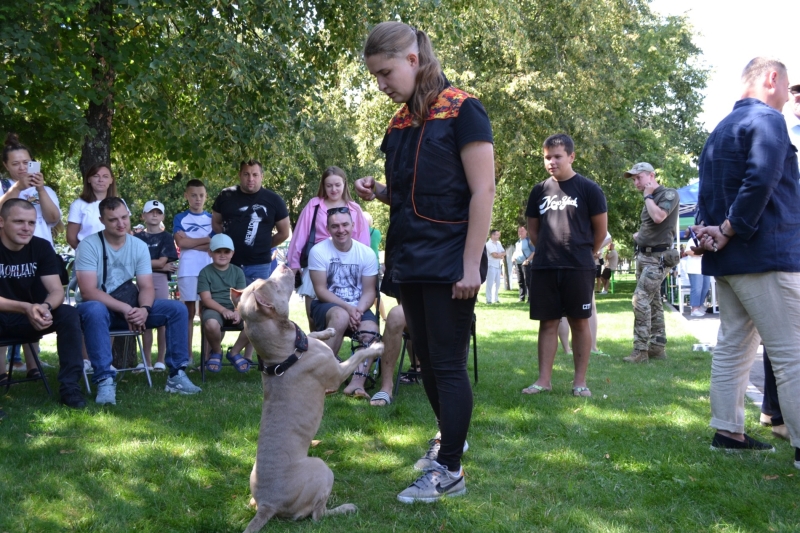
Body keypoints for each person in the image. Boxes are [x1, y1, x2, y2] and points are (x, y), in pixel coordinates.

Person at [355, 21, 495, 503]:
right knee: (428, 362)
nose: (381, 85)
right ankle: (448, 442)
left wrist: (471, 263)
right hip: (409, 258)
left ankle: (450, 470)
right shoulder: (399, 123)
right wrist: (380, 191)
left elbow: (483, 191)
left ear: (413, 60)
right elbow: (413, 195)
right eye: (375, 76)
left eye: (385, 72)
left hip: (451, 260)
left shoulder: (463, 109)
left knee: (449, 364)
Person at [693, 57, 799, 463]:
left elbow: (707, 195)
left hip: (730, 263)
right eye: (789, 88)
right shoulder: (769, 121)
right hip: (765, 256)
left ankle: (727, 432)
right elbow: (761, 180)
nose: (790, 99)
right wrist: (730, 228)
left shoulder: (719, 130)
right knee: (792, 353)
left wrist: (709, 231)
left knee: (733, 346)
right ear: (772, 79)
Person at [75, 197, 201, 405]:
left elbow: (146, 286)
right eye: (113, 219)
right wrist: (127, 308)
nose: (121, 223)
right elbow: (88, 291)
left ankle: (176, 375)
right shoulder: (89, 245)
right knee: (94, 309)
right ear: (102, 220)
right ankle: (105, 379)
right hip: (100, 312)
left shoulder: (138, 246)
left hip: (131, 308)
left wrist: (144, 309)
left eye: (124, 217)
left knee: (177, 309)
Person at [522, 133, 607, 398]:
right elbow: (534, 231)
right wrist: (549, 250)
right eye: (547, 157)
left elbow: (600, 232)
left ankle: (579, 382)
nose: (551, 162)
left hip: (578, 267)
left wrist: (583, 254)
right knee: (547, 323)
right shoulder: (539, 190)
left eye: (557, 156)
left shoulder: (589, 189)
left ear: (571, 156)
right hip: (545, 267)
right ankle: (543, 381)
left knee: (579, 322)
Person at [0, 199, 85, 408]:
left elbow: (56, 290)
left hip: (32, 316)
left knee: (68, 314)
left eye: (31, 222)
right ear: (1, 222)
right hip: (6, 316)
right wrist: (25, 307)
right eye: (19, 221)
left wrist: (45, 308)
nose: (26, 228)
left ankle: (70, 387)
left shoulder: (41, 246)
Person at [212, 159, 290, 364]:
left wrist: (263, 245)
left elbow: (284, 232)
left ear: (262, 176)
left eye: (255, 174)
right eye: (246, 174)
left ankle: (245, 356)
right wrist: (228, 245)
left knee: (259, 311)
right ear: (240, 175)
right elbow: (216, 223)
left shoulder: (273, 200)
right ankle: (214, 353)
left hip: (259, 264)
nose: (251, 179)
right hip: (229, 265)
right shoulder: (225, 196)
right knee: (222, 305)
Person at [1, 133, 63, 373]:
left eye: (26, 163)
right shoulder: (3, 187)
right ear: (6, 166)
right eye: (15, 163)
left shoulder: (45, 189)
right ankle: (2, 368)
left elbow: (54, 219)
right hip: (6, 256)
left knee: (37, 305)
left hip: (39, 256)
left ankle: (33, 365)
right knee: (7, 308)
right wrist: (17, 188)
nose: (21, 168)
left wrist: (40, 189)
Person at [287, 166, 370, 329]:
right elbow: (300, 235)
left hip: (347, 266)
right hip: (318, 264)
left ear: (344, 184)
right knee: (314, 318)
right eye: (329, 185)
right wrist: (294, 264)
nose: (334, 189)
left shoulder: (354, 209)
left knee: (347, 315)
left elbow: (363, 242)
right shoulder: (314, 206)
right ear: (323, 186)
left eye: (337, 185)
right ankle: (318, 351)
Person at [308, 208, 379, 398]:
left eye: (345, 224)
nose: (341, 230)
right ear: (328, 228)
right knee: (340, 316)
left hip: (358, 306)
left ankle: (357, 384)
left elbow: (369, 291)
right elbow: (321, 290)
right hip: (326, 305)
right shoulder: (318, 251)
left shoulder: (366, 253)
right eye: (335, 226)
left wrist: (359, 310)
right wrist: (348, 309)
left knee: (371, 329)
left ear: (353, 226)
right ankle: (325, 379)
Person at [622, 162, 680, 363]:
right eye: (634, 179)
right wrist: (640, 236)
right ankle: (657, 347)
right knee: (653, 302)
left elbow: (659, 217)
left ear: (651, 176)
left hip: (658, 258)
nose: (636, 182)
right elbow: (651, 226)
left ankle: (640, 351)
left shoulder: (668, 194)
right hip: (644, 256)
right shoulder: (650, 198)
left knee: (640, 299)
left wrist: (648, 196)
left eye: (639, 177)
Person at [134, 200, 178, 371]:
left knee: (161, 320)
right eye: (151, 212)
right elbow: (134, 262)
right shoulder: (136, 238)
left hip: (160, 280)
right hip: (141, 280)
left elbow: (163, 261)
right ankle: (146, 361)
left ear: (163, 216)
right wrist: (158, 264)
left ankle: (160, 360)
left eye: (158, 212)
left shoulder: (167, 237)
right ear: (143, 215)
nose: (154, 215)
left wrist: (158, 264)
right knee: (143, 320)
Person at [173, 179, 214, 358]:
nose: (198, 199)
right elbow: (180, 242)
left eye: (201, 195)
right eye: (193, 195)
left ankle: (205, 358)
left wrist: (191, 243)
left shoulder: (212, 219)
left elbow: (214, 244)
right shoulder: (180, 218)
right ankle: (187, 356)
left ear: (206, 197)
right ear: (186, 196)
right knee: (188, 313)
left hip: (208, 269)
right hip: (188, 269)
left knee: (206, 311)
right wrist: (204, 241)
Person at [197, 234, 247, 372]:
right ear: (210, 253)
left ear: (232, 253)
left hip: (235, 306)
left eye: (226, 251)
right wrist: (223, 310)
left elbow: (241, 296)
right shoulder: (205, 272)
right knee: (211, 324)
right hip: (214, 307)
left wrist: (237, 311)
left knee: (255, 322)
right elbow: (206, 299)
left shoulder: (238, 272)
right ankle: (217, 351)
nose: (222, 255)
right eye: (218, 251)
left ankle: (234, 352)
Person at [512, 225, 534, 302]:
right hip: (518, 263)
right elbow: (516, 252)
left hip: (526, 264)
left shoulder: (529, 241)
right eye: (519, 231)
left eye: (522, 231)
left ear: (526, 232)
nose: (520, 232)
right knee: (520, 281)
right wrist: (513, 257)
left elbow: (534, 252)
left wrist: (527, 261)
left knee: (528, 281)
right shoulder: (517, 242)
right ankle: (521, 298)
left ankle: (530, 298)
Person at [484, 229, 504, 304]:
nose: (498, 236)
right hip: (491, 265)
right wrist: (500, 255)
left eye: (499, 235)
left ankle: (496, 298)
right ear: (492, 235)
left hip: (498, 265)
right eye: (497, 235)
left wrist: (500, 255)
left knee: (498, 283)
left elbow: (504, 252)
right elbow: (494, 255)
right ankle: (488, 299)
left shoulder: (498, 243)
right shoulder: (488, 244)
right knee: (490, 283)